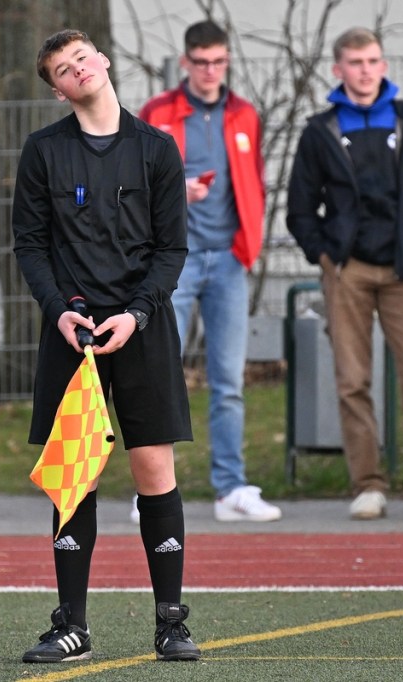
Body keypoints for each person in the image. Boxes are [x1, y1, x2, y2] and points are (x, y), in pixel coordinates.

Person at [12, 29, 200, 663]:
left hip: (141, 329)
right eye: (62, 69)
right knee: (77, 474)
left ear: (103, 60)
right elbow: (30, 245)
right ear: (57, 90)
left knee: (153, 469)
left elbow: (172, 249)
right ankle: (72, 625)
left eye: (82, 58)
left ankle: (171, 623)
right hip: (74, 334)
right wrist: (60, 310)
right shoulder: (43, 152)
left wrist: (138, 313)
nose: (77, 70)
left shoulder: (156, 149)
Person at [286, 27, 403, 521]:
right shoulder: (319, 131)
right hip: (348, 271)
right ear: (338, 69)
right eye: (356, 62)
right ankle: (368, 486)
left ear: (384, 66)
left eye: (373, 61)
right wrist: (325, 256)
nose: (365, 70)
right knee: (352, 381)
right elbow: (300, 208)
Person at [139, 20, 280, 523]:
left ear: (227, 62)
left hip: (227, 260)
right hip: (171, 262)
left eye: (218, 62)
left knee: (228, 380)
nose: (210, 71)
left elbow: (254, 181)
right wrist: (178, 190)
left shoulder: (244, 114)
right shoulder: (157, 112)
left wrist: (247, 248)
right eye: (200, 62)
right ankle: (150, 491)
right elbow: (135, 182)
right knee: (157, 376)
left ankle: (231, 488)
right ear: (185, 63)